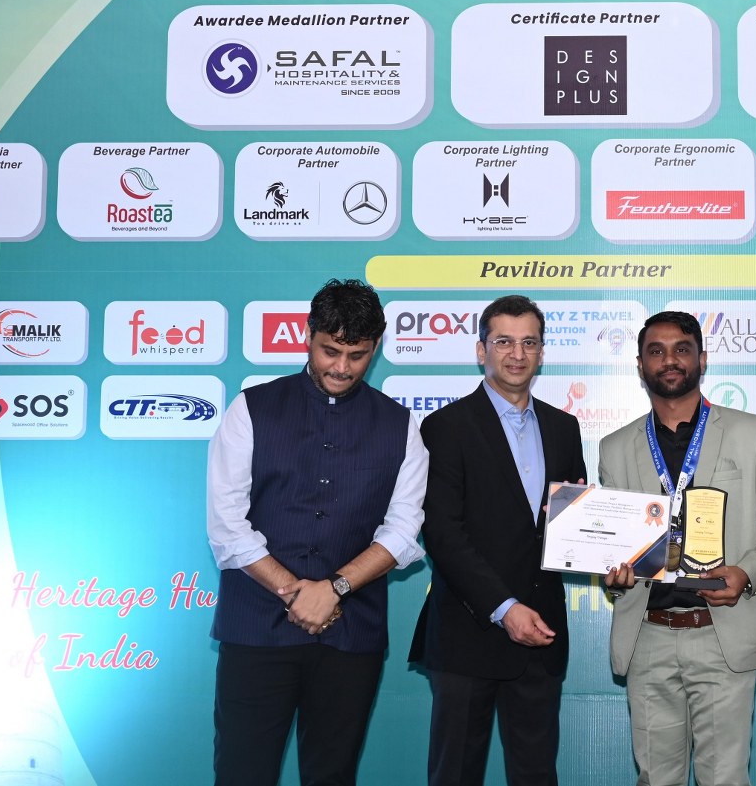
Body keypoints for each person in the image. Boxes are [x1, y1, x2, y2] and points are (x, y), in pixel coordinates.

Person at [206, 278, 428, 786]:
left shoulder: (400, 426)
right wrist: (296, 592)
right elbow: (226, 523)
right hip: (255, 630)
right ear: (308, 336)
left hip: (351, 637)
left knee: (333, 776)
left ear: (376, 347)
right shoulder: (251, 409)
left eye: (358, 355)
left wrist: (335, 588)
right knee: (241, 773)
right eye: (331, 350)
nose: (342, 367)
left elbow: (402, 531)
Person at [600, 311, 756, 786]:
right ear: (640, 365)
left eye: (682, 349)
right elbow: (613, 542)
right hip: (647, 634)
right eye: (656, 351)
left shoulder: (752, 431)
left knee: (725, 778)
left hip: (721, 631)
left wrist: (747, 572)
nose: (669, 360)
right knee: (656, 779)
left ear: (702, 359)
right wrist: (610, 572)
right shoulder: (615, 447)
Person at [411, 294, 587, 785]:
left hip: (541, 637)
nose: (517, 354)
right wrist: (505, 608)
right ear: (481, 350)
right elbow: (442, 533)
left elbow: (572, 523)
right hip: (469, 634)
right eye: (504, 341)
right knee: (455, 774)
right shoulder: (445, 427)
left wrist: (604, 548)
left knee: (536, 775)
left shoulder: (564, 427)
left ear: (542, 352)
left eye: (529, 342)